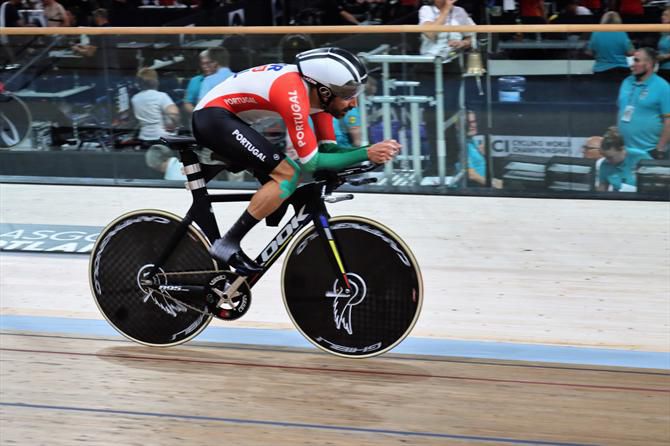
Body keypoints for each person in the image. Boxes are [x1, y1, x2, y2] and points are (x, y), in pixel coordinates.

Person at [192, 47, 401, 275]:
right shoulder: (293, 93)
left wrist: (366, 152)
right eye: (348, 95)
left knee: (288, 176)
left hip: (232, 120)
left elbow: (329, 148)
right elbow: (311, 162)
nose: (354, 104)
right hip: (213, 118)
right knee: (287, 174)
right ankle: (227, 243)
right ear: (324, 90)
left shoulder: (319, 98)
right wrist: (366, 153)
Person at [617, 48, 670, 160]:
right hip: (624, 152)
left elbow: (668, 121)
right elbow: (620, 110)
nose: (632, 64)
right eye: (632, 60)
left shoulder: (663, 87)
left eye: (637, 60)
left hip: (648, 152)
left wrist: (660, 149)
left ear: (649, 64)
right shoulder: (626, 82)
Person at [585, 11, 634, 99]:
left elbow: (589, 52)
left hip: (601, 71)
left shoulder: (596, 33)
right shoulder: (622, 33)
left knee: (602, 100)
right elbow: (631, 52)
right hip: (621, 71)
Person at [131, 67, 180, 147]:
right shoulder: (161, 96)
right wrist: (174, 125)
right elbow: (174, 113)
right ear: (155, 81)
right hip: (162, 138)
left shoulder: (135, 99)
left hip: (144, 139)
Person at [597, 126, 651, 192]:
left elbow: (656, 180)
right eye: (605, 156)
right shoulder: (605, 164)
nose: (607, 160)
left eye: (610, 157)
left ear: (622, 149)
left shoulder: (641, 157)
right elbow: (602, 189)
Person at [182, 49, 219, 116]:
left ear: (215, 62)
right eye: (203, 63)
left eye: (208, 63)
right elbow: (187, 103)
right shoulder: (195, 81)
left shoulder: (224, 78)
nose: (205, 66)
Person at [464, 110, 486, 187]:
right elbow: (472, 175)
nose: (473, 125)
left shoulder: (471, 140)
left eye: (474, 121)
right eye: (468, 123)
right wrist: (492, 184)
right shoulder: (463, 146)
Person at [657, 7, 670, 83]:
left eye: (665, 15)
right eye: (662, 15)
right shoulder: (663, 32)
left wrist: (664, 57)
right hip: (662, 68)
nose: (662, 17)